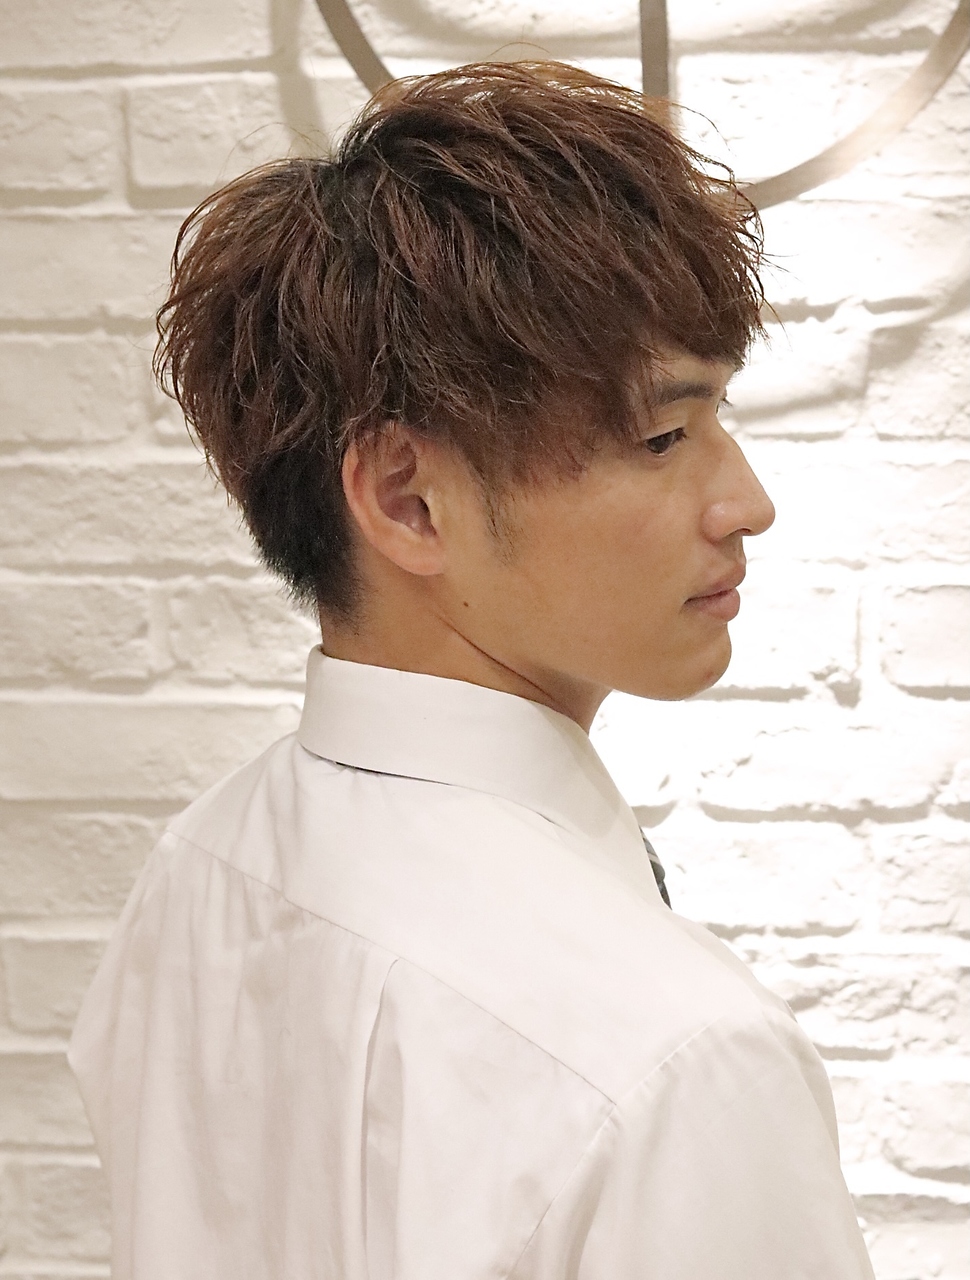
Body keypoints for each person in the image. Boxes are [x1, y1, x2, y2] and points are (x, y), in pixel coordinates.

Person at [69, 61, 875, 1280]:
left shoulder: (200, 868)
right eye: (662, 434)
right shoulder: (675, 1058)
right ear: (409, 499)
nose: (744, 500)